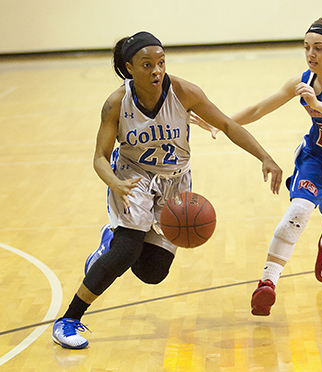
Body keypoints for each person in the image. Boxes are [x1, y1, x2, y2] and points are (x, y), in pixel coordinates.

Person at [52, 31, 282, 349]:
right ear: (130, 68)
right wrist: (115, 183)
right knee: (126, 252)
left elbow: (228, 125)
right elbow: (99, 158)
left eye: (161, 62)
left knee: (153, 272)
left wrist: (265, 157)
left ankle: (112, 239)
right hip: (134, 178)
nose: (157, 70)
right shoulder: (117, 103)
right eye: (147, 65)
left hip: (175, 182)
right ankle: (69, 319)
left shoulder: (185, 92)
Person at [193, 18, 322, 316]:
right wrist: (217, 122)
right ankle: (267, 282)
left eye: (318, 48)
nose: (311, 54)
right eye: (307, 48)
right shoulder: (303, 80)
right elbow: (258, 109)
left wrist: (317, 105)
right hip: (316, 158)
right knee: (299, 209)